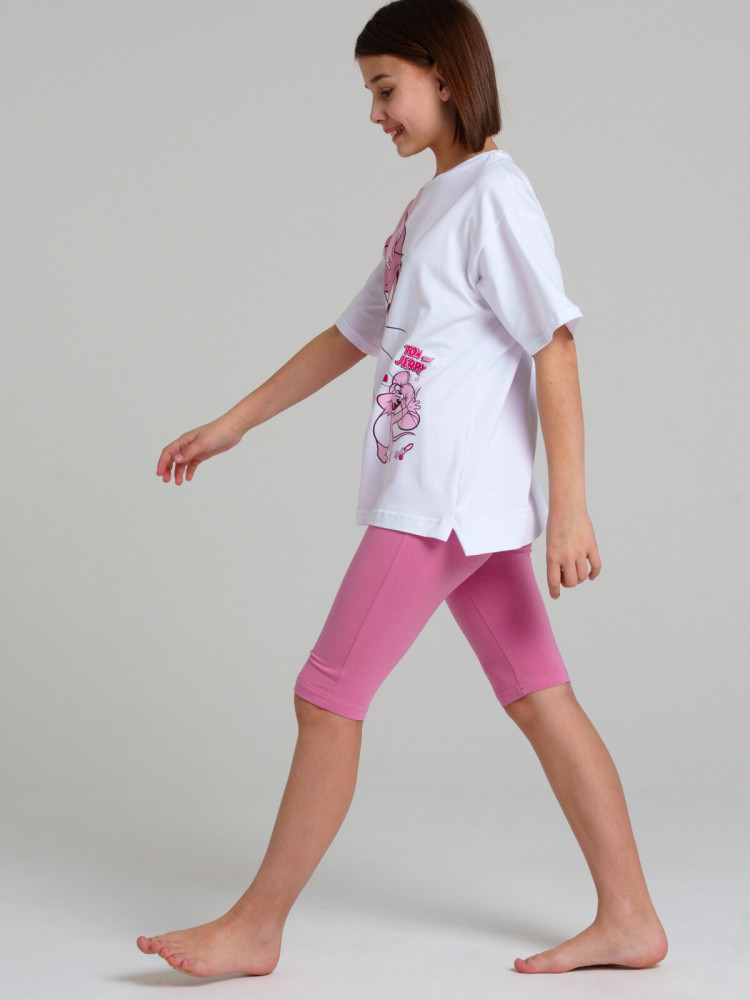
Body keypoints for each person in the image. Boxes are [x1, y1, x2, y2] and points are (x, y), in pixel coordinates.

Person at [137, 0, 667, 979]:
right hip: (464, 507)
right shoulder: (434, 204)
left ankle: (257, 926)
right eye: (370, 92)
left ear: (446, 76)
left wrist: (572, 507)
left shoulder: (495, 194)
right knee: (541, 696)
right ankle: (631, 919)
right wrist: (234, 421)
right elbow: (350, 335)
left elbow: (553, 344)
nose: (375, 112)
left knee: (326, 698)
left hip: (441, 503)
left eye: (386, 88)